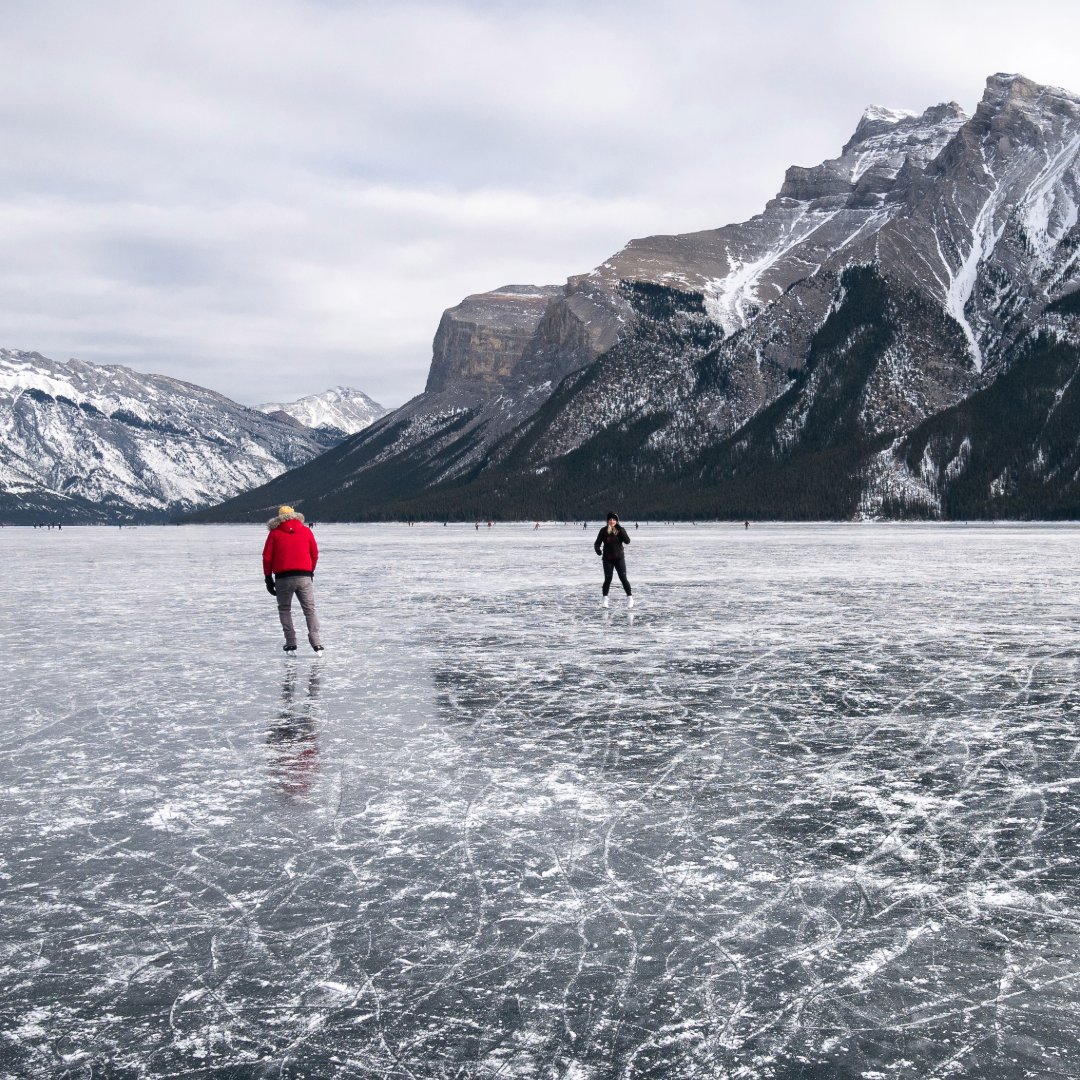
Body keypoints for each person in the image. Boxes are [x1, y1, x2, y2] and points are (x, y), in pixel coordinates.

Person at [263, 505, 323, 655]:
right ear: (295, 516)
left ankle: (291, 643)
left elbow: (267, 558)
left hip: (283, 578)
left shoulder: (274, 533)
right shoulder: (306, 531)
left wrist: (268, 578)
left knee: (285, 610)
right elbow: (314, 554)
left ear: (279, 518)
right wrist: (310, 571)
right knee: (309, 610)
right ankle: (316, 643)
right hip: (304, 577)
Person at [594, 511, 633, 608]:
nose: (612, 522)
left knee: (623, 578)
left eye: (614, 520)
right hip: (608, 559)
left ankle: (630, 598)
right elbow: (597, 543)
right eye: (610, 520)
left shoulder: (620, 530)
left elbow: (627, 541)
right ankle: (605, 599)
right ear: (608, 521)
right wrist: (598, 550)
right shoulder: (603, 531)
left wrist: (621, 530)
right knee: (608, 579)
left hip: (619, 558)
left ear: (616, 521)